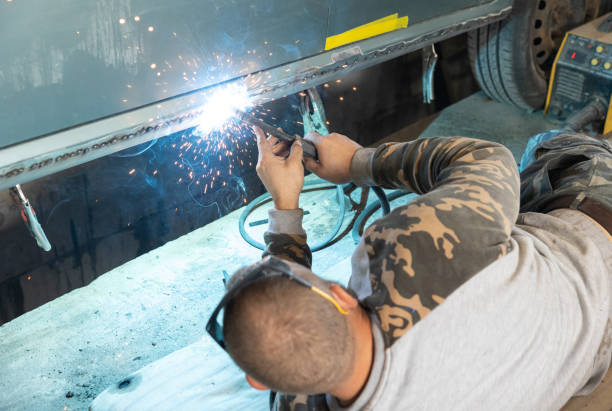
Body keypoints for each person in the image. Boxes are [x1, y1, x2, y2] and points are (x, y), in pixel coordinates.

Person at [206, 126, 612, 410]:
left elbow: (281, 332)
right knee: (549, 148)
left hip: (585, 357)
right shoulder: (411, 253)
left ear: (259, 382)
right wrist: (356, 162)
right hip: (591, 268)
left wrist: (285, 207)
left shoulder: (296, 400)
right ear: (342, 296)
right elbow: (485, 157)